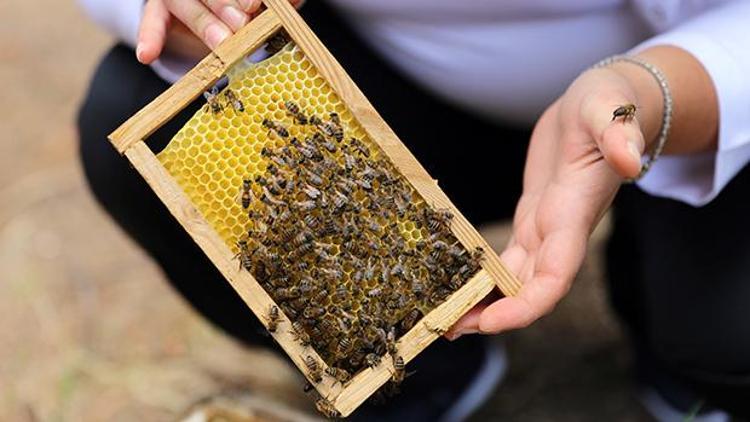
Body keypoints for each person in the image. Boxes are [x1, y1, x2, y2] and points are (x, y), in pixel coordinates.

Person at [77, 0, 750, 420]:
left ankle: (677, 331)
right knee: (147, 118)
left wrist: (647, 93)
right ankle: (422, 373)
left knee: (727, 337)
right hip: (391, 97)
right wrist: (197, 14)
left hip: (670, 91)